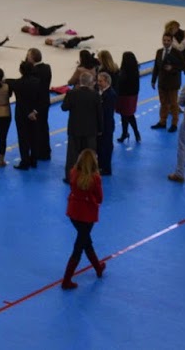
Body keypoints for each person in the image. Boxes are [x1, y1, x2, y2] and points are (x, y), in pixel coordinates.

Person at [60, 149, 105, 290]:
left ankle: (98, 268)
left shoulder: (73, 173)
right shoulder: (95, 179)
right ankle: (66, 281)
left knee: (85, 241)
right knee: (79, 247)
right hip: (87, 216)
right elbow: (100, 199)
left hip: (73, 214)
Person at [62, 68, 99, 180]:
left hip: (75, 129)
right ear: (90, 82)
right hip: (90, 130)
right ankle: (90, 177)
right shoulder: (95, 95)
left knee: (72, 156)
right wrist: (100, 129)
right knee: (89, 155)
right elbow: (99, 114)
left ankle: (70, 177)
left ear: (80, 81)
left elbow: (64, 107)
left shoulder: (71, 93)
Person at [11, 60, 44, 169]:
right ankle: (34, 160)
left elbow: (20, 100)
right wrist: (34, 111)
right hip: (34, 114)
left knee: (23, 138)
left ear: (21, 70)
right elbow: (41, 99)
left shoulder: (17, 83)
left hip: (21, 114)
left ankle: (25, 161)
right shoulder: (38, 82)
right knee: (34, 137)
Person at [150, 32, 185, 131]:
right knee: (163, 103)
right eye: (164, 40)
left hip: (173, 84)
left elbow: (182, 66)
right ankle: (162, 122)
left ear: (171, 41)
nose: (166, 42)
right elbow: (156, 67)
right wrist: (153, 80)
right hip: (162, 83)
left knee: (174, 104)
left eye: (168, 40)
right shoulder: (159, 52)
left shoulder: (177, 52)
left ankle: (174, 123)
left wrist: (172, 68)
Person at [27, 49, 53, 161]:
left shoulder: (33, 71)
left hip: (36, 103)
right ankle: (46, 150)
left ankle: (38, 152)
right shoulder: (47, 67)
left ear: (32, 58)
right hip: (45, 102)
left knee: (36, 129)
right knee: (44, 127)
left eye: (28, 56)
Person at [115, 51, 142, 143]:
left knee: (126, 115)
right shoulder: (135, 70)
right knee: (128, 115)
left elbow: (120, 83)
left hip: (124, 96)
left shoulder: (124, 72)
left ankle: (131, 132)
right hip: (132, 95)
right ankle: (128, 133)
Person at [95, 71, 116, 176]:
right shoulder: (101, 92)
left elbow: (106, 113)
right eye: (98, 81)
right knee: (100, 147)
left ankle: (106, 169)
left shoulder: (110, 95)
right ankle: (101, 166)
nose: (98, 83)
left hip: (106, 126)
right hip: (102, 125)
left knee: (106, 147)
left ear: (107, 82)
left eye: (100, 81)